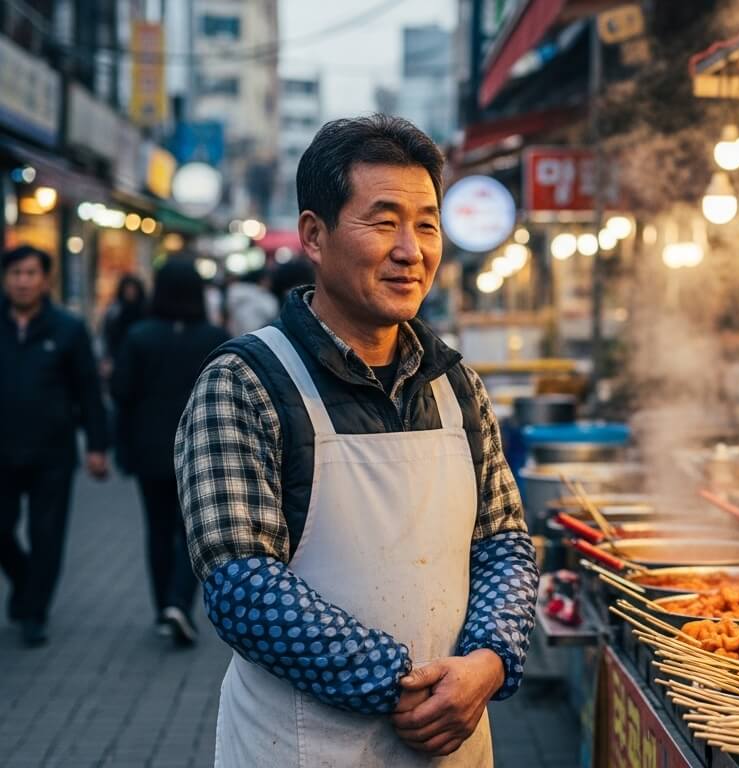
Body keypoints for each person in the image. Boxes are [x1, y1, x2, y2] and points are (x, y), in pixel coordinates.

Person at [175, 115, 537, 765]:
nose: (411, 249)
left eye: (427, 223)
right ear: (314, 235)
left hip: (453, 745)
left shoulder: (457, 384)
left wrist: (486, 661)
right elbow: (239, 581)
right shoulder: (244, 383)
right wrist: (403, 685)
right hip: (303, 747)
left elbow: (504, 540)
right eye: (384, 220)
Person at [111, 261, 229, 647]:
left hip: (149, 448)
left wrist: (121, 447)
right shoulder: (215, 337)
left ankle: (163, 605)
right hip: (200, 450)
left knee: (158, 529)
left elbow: (122, 394)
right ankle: (179, 601)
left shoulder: (139, 335)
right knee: (192, 532)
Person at [0, 245, 110, 647]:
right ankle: (25, 580)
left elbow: (88, 391)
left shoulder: (66, 328)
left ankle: (35, 612)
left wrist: (97, 446)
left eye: (30, 273)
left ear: (45, 279)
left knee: (48, 534)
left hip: (53, 451)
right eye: (15, 273)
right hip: (3, 450)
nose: (23, 281)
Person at [102, 273, 147, 370]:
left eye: (133, 289)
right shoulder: (115, 310)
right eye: (128, 289)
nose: (130, 292)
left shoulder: (145, 310)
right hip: (119, 356)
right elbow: (107, 334)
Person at [224, 268, 278, 336]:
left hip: (241, 336)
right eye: (267, 280)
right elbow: (272, 314)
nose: (269, 283)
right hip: (255, 336)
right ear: (261, 280)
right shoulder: (267, 298)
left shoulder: (236, 290)